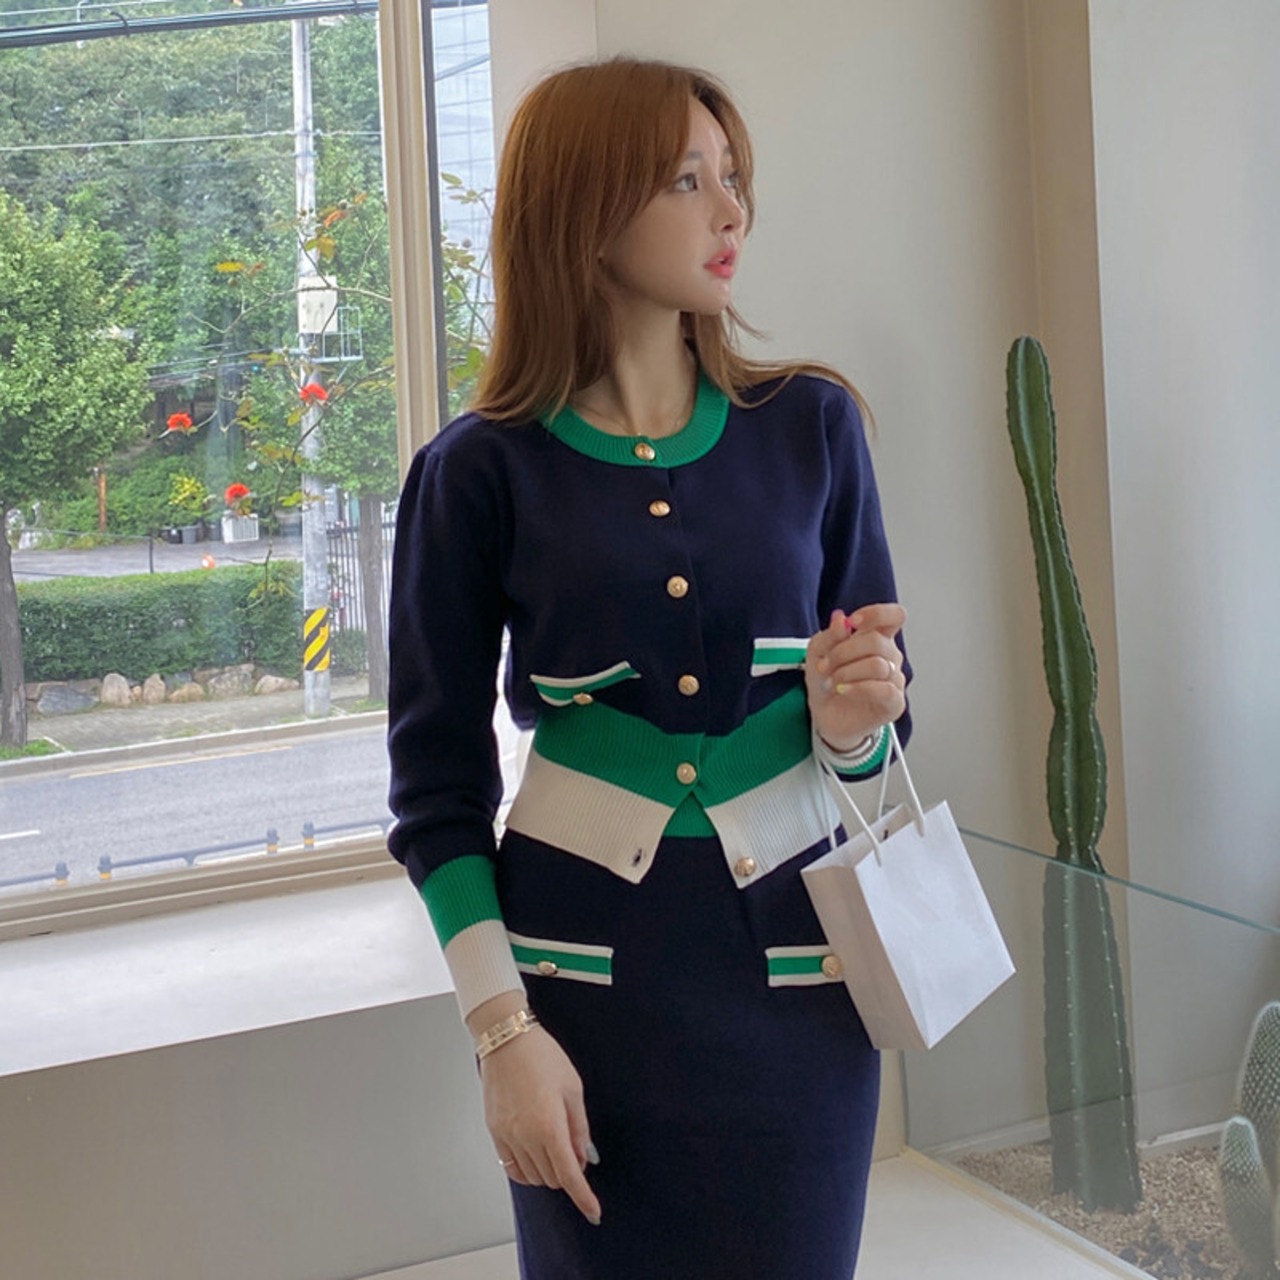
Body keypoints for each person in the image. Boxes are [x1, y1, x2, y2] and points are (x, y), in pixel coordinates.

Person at [387, 56, 911, 1280]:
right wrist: (502, 1034)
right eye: (686, 180)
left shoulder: (814, 425)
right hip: (578, 1014)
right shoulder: (474, 472)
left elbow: (884, 737)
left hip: (800, 989)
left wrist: (850, 722)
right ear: (582, 207)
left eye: (731, 175)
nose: (731, 210)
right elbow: (436, 796)